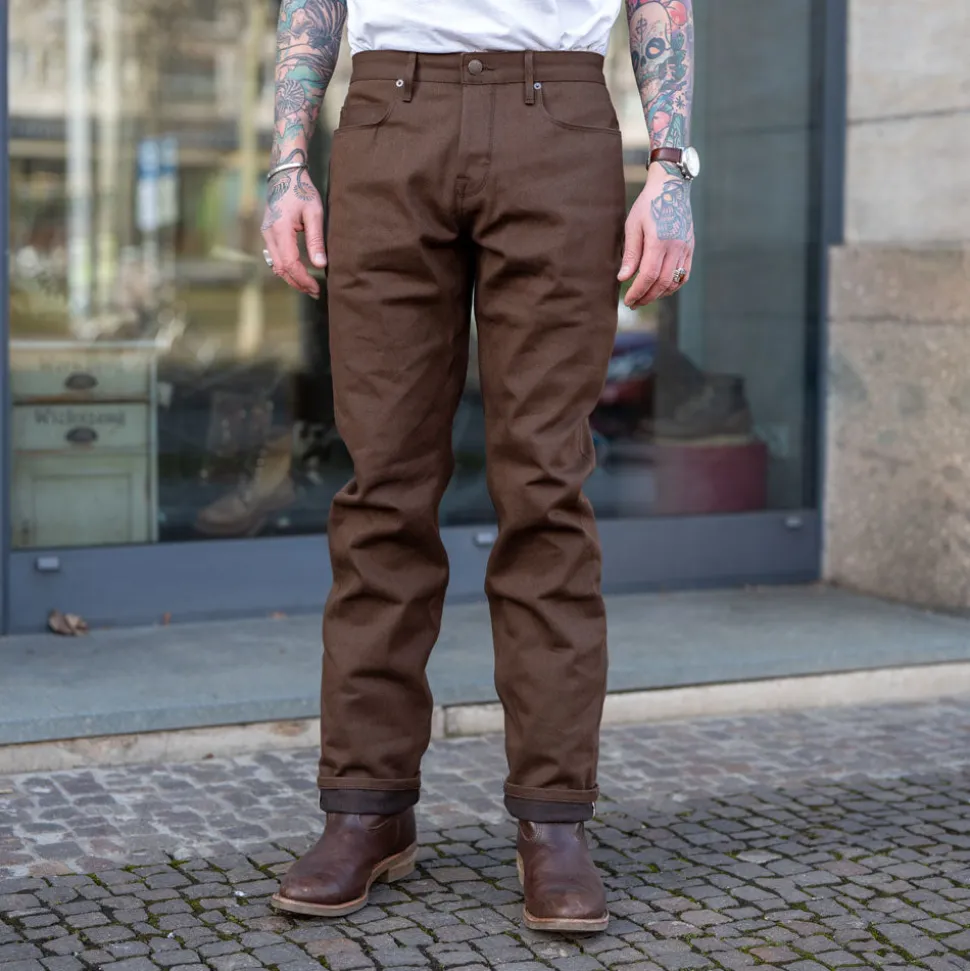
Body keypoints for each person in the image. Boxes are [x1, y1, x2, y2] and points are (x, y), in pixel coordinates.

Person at [261, 0, 697, 933]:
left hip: (560, 118)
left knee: (546, 488)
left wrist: (671, 167)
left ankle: (554, 818)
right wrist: (288, 161)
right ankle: (367, 805)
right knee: (383, 489)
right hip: (388, 114)